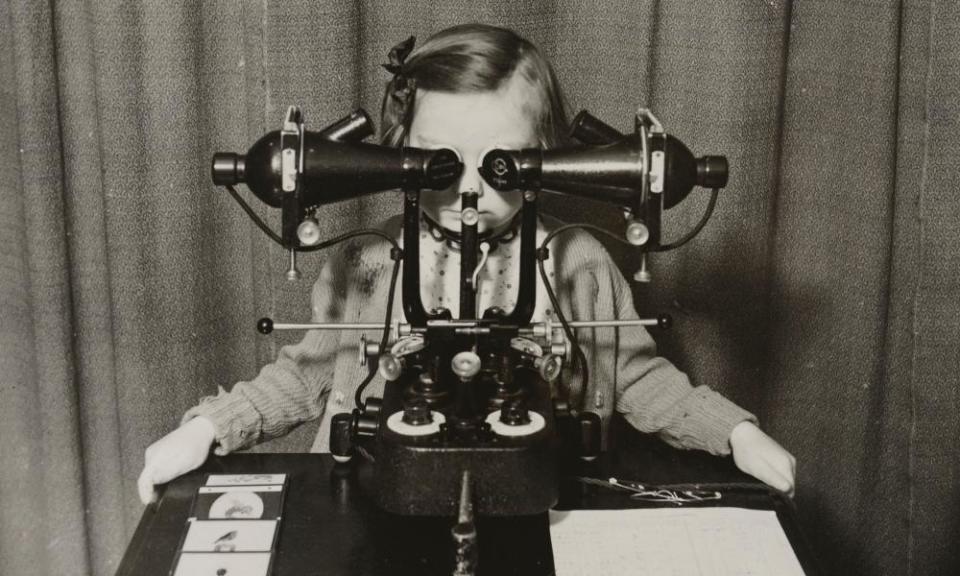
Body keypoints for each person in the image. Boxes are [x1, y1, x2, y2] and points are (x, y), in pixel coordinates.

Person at [138, 23, 795, 506]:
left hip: (541, 497)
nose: (470, 192)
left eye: (502, 163)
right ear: (399, 153)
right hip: (379, 497)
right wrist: (209, 430)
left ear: (546, 155)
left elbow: (640, 380)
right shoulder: (365, 263)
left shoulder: (580, 262)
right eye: (441, 163)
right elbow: (301, 376)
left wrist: (733, 434)